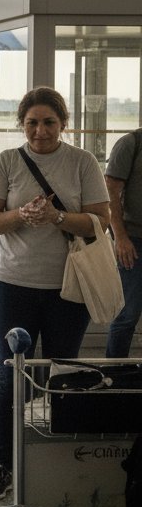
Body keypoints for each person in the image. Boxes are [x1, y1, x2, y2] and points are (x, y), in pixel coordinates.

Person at [0, 86, 110, 499]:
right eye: (32, 123)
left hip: (68, 288)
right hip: (16, 284)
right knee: (9, 377)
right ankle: (4, 464)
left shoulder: (81, 162)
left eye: (49, 122)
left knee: (62, 374)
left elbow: (99, 223)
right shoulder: (8, 162)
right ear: (22, 125)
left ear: (63, 124)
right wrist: (20, 214)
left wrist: (57, 217)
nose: (40, 131)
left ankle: (60, 456)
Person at [105, 125, 142, 357]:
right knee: (127, 314)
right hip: (134, 242)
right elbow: (111, 191)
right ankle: (114, 376)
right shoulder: (131, 143)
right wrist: (120, 237)